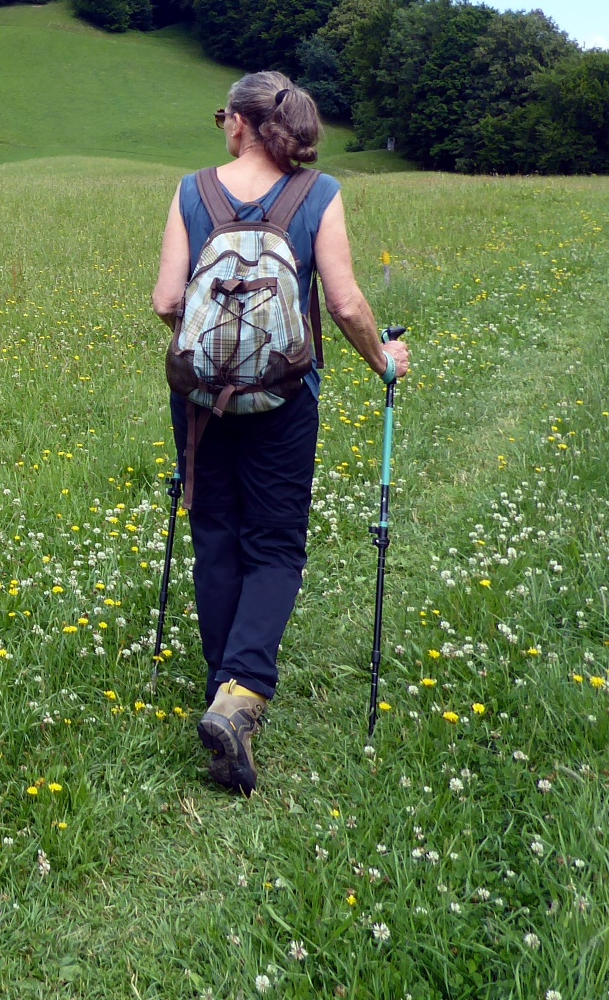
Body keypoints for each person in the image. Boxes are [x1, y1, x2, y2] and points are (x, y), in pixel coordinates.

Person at [149, 70, 410, 793]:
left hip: (201, 398)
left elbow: (167, 299)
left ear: (237, 121)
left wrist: (212, 348)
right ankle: (242, 695)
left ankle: (220, 691)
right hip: (286, 398)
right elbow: (348, 301)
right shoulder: (316, 195)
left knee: (217, 537)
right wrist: (382, 361)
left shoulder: (192, 191)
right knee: (276, 545)